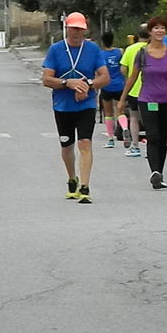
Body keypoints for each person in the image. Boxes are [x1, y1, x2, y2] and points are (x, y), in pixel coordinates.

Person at [42, 12, 110, 203]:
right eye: (73, 28)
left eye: (80, 29)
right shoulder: (56, 49)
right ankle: (72, 178)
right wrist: (67, 83)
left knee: (85, 143)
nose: (77, 32)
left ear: (85, 29)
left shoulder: (93, 49)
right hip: (63, 106)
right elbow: (46, 79)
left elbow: (104, 77)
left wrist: (87, 85)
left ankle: (85, 187)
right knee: (66, 145)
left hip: (86, 104)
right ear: (67, 28)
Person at [118, 16, 167, 189]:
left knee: (163, 136)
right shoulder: (142, 54)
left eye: (163, 28)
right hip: (147, 99)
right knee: (153, 136)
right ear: (150, 32)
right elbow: (132, 77)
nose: (160, 31)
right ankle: (154, 172)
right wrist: (122, 99)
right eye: (156, 28)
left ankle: (160, 172)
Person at [119, 24, 149, 157]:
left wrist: (129, 77)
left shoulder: (130, 49)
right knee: (150, 119)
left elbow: (123, 69)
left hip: (133, 89)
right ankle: (151, 146)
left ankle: (135, 146)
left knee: (134, 117)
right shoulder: (152, 49)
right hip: (149, 90)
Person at [99, 31, 125, 148]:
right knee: (120, 111)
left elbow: (97, 71)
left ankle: (110, 138)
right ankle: (124, 128)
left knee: (108, 113)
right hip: (119, 85)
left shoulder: (100, 54)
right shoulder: (119, 52)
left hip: (106, 85)